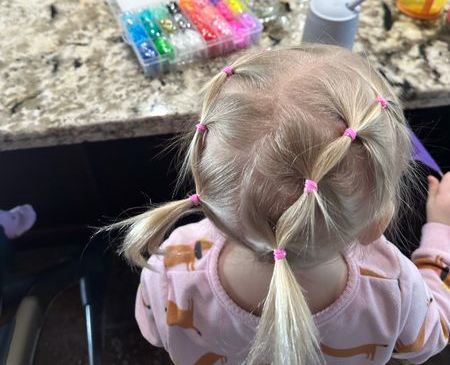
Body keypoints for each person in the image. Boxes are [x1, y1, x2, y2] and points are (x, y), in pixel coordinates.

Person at [111, 46, 450, 364]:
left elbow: (153, 328)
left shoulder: (175, 263)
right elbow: (433, 335)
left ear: (211, 191)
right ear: (378, 222)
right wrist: (441, 234)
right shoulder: (392, 286)